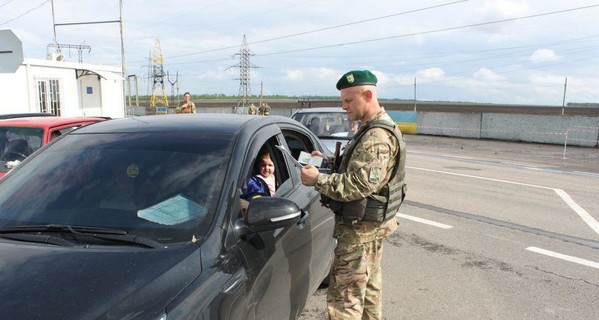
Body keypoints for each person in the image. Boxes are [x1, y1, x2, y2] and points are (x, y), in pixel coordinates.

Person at [300, 70, 406, 320]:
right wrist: (326, 160)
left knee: (344, 303)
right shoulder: (372, 128)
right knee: (368, 296)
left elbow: (359, 185)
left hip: (359, 235)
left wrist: (318, 179)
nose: (344, 106)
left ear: (367, 95)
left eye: (348, 100)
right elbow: (360, 167)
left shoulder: (376, 137)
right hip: (368, 231)